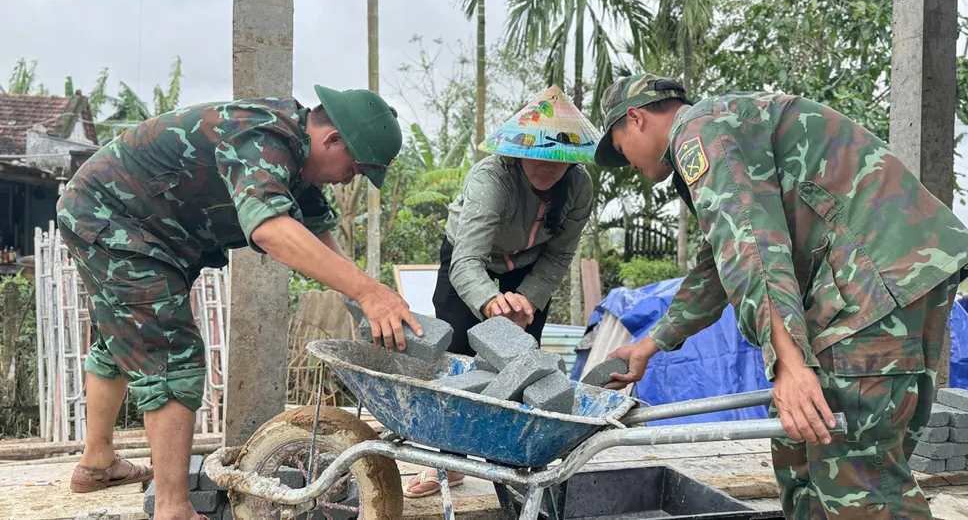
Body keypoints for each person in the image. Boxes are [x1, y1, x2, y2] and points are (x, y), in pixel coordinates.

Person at [595, 74, 968, 519]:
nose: (626, 162)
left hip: (868, 289)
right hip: (894, 279)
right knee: (802, 450)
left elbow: (753, 249)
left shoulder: (700, 132)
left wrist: (789, 365)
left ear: (635, 118)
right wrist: (649, 346)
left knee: (859, 480)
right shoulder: (731, 127)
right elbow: (719, 267)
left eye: (619, 147)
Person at [57, 86, 420, 520]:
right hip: (112, 216)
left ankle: (97, 463)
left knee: (124, 337)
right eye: (354, 169)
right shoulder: (262, 137)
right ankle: (174, 510)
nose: (348, 179)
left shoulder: (297, 156)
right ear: (333, 140)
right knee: (171, 352)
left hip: (140, 223)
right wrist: (367, 290)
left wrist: (363, 301)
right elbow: (271, 229)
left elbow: (317, 230)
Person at [404, 86, 596, 498]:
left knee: (522, 361)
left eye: (558, 159)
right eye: (539, 156)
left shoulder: (580, 187)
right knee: (456, 355)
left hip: (530, 265)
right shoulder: (492, 178)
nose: (548, 166)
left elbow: (559, 256)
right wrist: (490, 303)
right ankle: (445, 462)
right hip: (469, 257)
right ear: (519, 150)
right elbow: (466, 261)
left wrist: (526, 299)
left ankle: (512, 460)